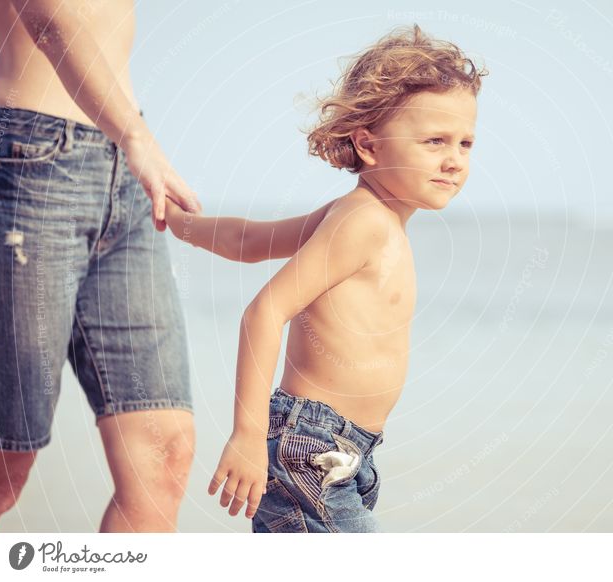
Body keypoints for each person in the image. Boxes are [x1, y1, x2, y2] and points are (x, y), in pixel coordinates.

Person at [164, 23, 486, 532]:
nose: (454, 160)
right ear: (369, 146)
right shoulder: (365, 223)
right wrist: (246, 434)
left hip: (340, 450)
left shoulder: (357, 215)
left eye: (465, 142)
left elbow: (250, 242)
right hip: (314, 448)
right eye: (434, 141)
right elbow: (265, 311)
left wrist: (176, 221)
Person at [0, 0, 202, 532]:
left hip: (127, 174)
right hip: (30, 158)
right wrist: (135, 138)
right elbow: (49, 22)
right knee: (5, 461)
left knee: (164, 453)